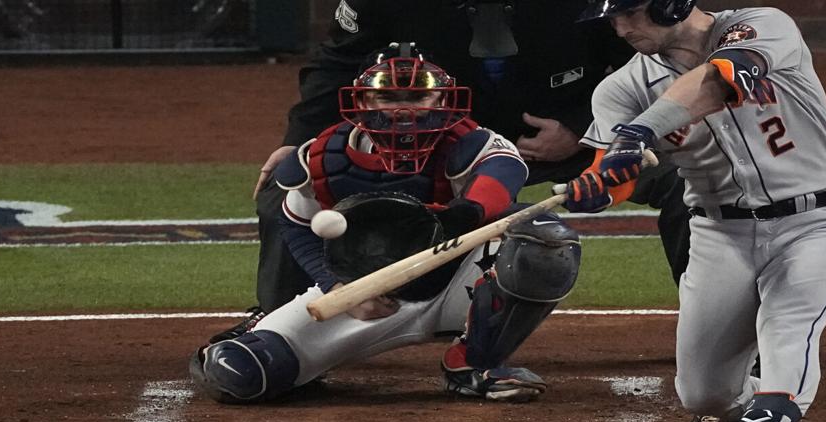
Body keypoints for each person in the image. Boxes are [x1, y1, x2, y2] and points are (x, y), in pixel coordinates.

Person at [213, 0, 689, 344]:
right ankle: (277, 319)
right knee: (283, 188)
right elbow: (337, 60)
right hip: (441, 146)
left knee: (682, 177)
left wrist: (585, 127)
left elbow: (642, 58)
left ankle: (708, 318)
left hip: (570, 136)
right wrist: (295, 140)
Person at [562, 0, 826, 422]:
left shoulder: (761, 27)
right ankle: (750, 415)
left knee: (787, 323)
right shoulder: (620, 89)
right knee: (702, 392)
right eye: (611, 18)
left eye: (628, 13)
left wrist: (640, 131)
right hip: (718, 235)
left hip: (815, 221)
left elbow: (718, 80)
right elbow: (612, 171)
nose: (618, 28)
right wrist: (600, 184)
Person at [188, 45, 579, 406]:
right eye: (388, 97)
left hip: (459, 285)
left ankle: (473, 362)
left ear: (441, 99)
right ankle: (287, 353)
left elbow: (504, 174)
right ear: (362, 101)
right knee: (240, 373)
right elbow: (296, 225)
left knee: (543, 239)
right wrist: (337, 286)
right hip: (367, 298)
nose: (403, 109)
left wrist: (469, 211)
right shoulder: (321, 159)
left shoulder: (470, 143)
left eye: (417, 97)